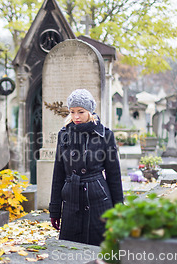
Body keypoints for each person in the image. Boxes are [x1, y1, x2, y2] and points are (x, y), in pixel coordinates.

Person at [49, 89, 123, 246]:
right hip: (71, 201)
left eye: (81, 112)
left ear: (90, 111)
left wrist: (119, 211)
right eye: (72, 112)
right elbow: (58, 173)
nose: (76, 117)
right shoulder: (64, 135)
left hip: (98, 200)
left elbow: (114, 174)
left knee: (99, 250)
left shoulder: (105, 135)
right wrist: (55, 210)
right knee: (70, 251)